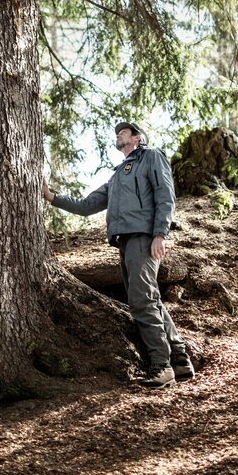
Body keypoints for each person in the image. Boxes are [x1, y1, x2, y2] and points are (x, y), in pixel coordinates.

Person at [43, 122, 194, 388]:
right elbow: (87, 205)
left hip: (144, 237)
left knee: (141, 301)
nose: (118, 135)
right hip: (124, 242)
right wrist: (52, 197)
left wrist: (160, 234)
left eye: (123, 131)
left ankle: (162, 365)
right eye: (117, 133)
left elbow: (165, 196)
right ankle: (180, 359)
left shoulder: (151, 157)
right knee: (150, 298)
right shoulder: (116, 176)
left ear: (137, 137)